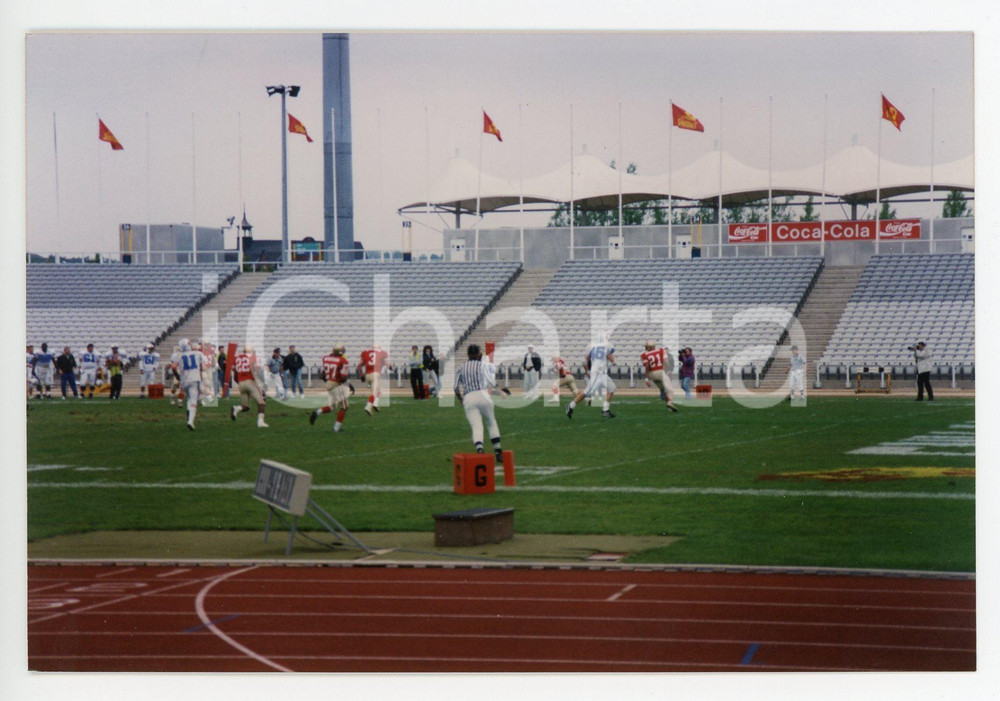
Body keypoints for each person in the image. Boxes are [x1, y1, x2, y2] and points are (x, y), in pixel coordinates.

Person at [454, 343, 506, 461]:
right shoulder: (482, 365)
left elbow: (456, 387)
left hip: (469, 397)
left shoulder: (461, 367)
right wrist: (500, 391)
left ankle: (480, 449)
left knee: (476, 426)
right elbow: (491, 381)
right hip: (483, 395)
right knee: (491, 422)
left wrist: (461, 399)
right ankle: (498, 451)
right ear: (479, 354)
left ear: (467, 354)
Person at [566, 333, 616, 419]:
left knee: (612, 388)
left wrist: (588, 369)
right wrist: (614, 362)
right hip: (598, 373)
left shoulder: (592, 347)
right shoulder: (607, 346)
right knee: (587, 392)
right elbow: (611, 358)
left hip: (600, 373)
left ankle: (605, 410)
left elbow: (585, 360)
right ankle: (570, 406)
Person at [309, 344, 352, 432]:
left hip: (329, 383)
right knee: (345, 406)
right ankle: (336, 429)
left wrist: (329, 383)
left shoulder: (326, 358)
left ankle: (318, 412)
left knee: (332, 407)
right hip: (337, 384)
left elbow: (323, 375)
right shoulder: (343, 361)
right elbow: (343, 377)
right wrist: (349, 385)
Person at [230, 342, 269, 428]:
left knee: (246, 406)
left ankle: (236, 408)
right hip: (250, 381)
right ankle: (260, 422)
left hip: (241, 383)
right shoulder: (252, 357)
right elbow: (257, 371)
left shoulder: (237, 358)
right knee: (261, 402)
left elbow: (235, 373)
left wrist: (239, 382)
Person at [172, 339, 207, 430]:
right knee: (194, 401)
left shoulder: (179, 355)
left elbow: (174, 367)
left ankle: (188, 412)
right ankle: (190, 421)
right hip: (194, 380)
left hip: (184, 381)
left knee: (190, 398)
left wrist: (177, 375)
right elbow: (204, 365)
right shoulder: (198, 353)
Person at [640, 341, 679, 412]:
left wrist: (646, 379)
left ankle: (670, 408)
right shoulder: (661, 350)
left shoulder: (643, 355)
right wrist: (669, 370)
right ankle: (670, 402)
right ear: (654, 346)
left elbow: (647, 367)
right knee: (670, 390)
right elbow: (666, 362)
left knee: (664, 391)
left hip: (652, 374)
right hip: (660, 371)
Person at [359, 344, 390, 415]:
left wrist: (361, 375)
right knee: (375, 392)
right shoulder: (382, 353)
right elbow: (387, 364)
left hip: (367, 375)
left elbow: (359, 365)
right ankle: (368, 407)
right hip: (375, 374)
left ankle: (375, 404)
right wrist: (390, 367)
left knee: (379, 390)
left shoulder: (365, 353)